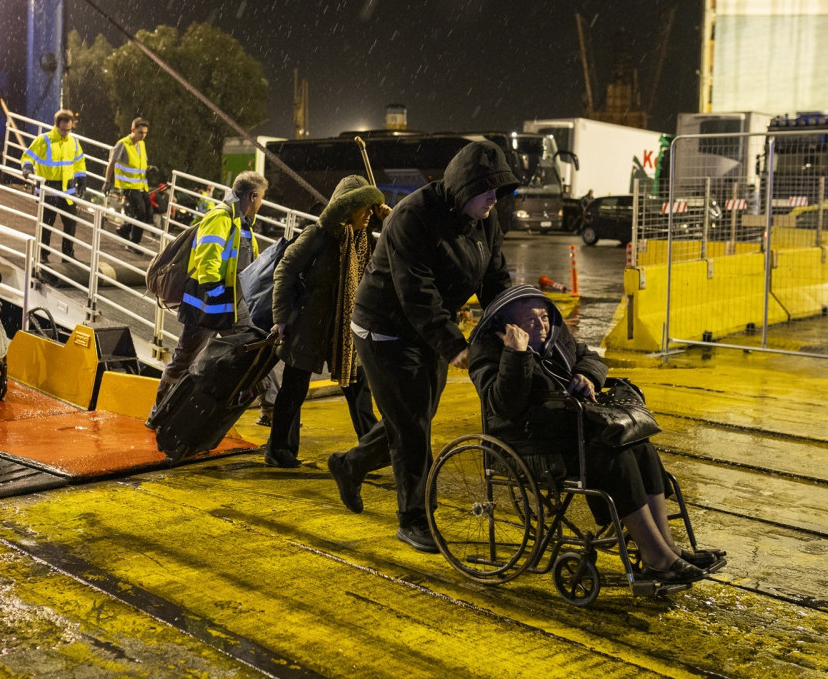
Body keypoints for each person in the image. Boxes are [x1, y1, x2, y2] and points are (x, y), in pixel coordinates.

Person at [326, 139, 518, 552]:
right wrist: (454, 346)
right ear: (464, 186)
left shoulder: (484, 218)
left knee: (414, 417)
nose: (492, 200)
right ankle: (412, 517)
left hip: (428, 330)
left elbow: (495, 278)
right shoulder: (413, 217)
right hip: (386, 330)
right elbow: (417, 293)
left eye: (497, 193)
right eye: (486, 192)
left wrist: (516, 315)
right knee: (413, 427)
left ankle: (349, 464)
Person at [468, 285, 725, 583]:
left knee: (640, 446)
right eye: (530, 321)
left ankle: (666, 547)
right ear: (508, 326)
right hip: (530, 444)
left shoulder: (555, 337)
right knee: (613, 458)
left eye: (544, 317)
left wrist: (587, 375)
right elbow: (505, 406)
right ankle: (656, 556)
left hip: (571, 432)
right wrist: (516, 353)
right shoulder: (488, 352)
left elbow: (591, 357)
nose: (541, 326)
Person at [264, 175, 388, 468]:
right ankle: (279, 450)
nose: (369, 214)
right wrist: (280, 319)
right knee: (294, 389)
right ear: (347, 208)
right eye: (364, 208)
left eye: (373, 209)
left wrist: (388, 219)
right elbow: (285, 272)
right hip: (309, 324)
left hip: (347, 330)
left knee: (358, 389)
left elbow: (398, 249)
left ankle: (373, 453)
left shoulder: (364, 240)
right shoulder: (317, 236)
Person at [149, 171, 268, 416]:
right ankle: (159, 412)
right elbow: (208, 256)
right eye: (262, 197)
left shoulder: (243, 222)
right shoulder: (221, 217)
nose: (262, 203)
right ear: (253, 196)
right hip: (207, 302)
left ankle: (270, 409)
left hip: (232, 302)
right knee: (184, 358)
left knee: (254, 350)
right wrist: (214, 291)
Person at [21, 109, 87, 273]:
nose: (66, 133)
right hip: (49, 187)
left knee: (70, 224)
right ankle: (43, 254)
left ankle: (68, 255)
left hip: (68, 188)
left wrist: (82, 178)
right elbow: (27, 156)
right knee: (46, 223)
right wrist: (27, 167)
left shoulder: (73, 141)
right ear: (56, 125)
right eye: (63, 129)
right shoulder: (44, 140)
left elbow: (79, 161)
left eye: (69, 130)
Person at [103, 117, 153, 245]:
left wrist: (149, 168)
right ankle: (133, 244)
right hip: (128, 186)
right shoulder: (123, 144)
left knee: (147, 213)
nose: (143, 136)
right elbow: (112, 163)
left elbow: (139, 164)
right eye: (140, 132)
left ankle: (124, 230)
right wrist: (107, 182)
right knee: (140, 213)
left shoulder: (142, 144)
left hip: (141, 185)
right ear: (132, 130)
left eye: (145, 133)